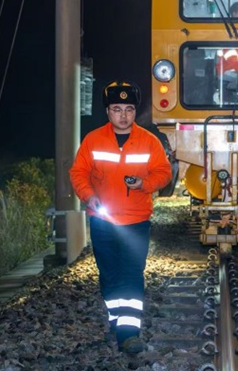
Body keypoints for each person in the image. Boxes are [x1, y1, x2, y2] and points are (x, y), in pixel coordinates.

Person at [69, 80, 172, 354]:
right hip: (102, 220)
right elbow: (78, 173)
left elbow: (164, 172)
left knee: (131, 274)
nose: (123, 115)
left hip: (136, 220)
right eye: (117, 109)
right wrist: (89, 196)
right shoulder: (93, 140)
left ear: (134, 111)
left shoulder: (149, 141)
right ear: (108, 112)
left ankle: (129, 333)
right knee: (109, 275)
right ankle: (117, 320)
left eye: (128, 109)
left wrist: (144, 184)